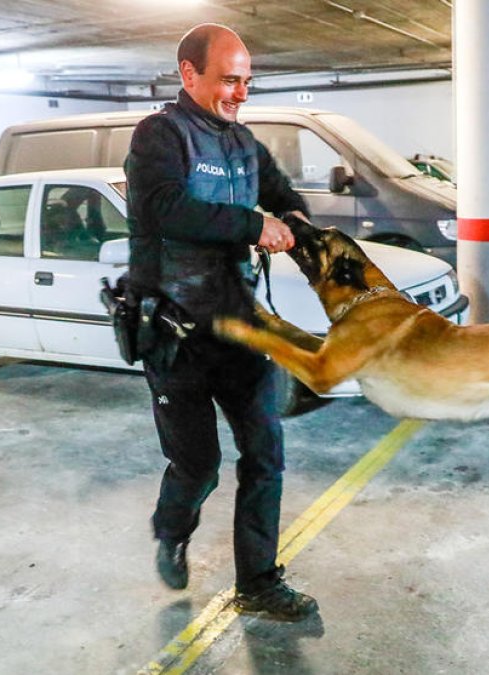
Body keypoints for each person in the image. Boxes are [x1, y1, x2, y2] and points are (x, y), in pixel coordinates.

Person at [123, 23, 317, 622]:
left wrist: (294, 219)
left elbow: (285, 193)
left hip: (238, 328)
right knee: (198, 466)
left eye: (247, 82)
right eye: (228, 80)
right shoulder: (159, 135)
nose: (240, 93)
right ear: (189, 74)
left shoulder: (242, 142)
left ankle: (258, 583)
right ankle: (172, 528)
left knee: (266, 454)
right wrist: (252, 226)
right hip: (174, 337)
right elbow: (166, 208)